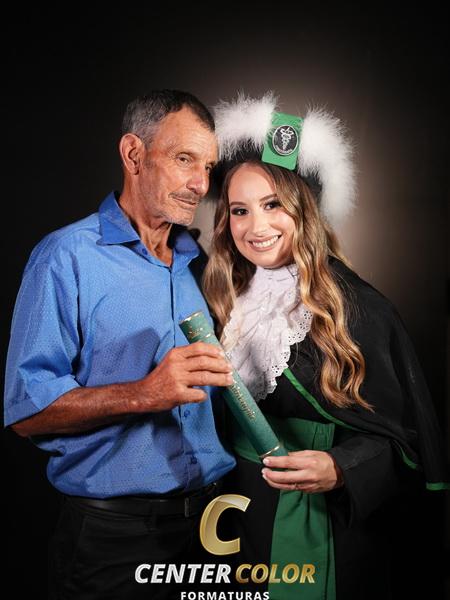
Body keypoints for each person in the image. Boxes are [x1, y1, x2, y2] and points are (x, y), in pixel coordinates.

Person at [202, 92, 450, 600]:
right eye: (240, 210)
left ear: (307, 211)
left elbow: (405, 440)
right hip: (231, 507)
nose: (256, 226)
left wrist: (340, 467)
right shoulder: (218, 293)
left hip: (320, 520)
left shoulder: (360, 308)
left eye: (274, 205)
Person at [4, 90, 237, 600]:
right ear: (133, 154)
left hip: (215, 528)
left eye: (208, 167)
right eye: (184, 159)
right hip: (116, 543)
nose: (201, 184)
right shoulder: (66, 257)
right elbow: (27, 412)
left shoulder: (202, 262)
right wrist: (144, 394)